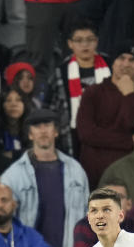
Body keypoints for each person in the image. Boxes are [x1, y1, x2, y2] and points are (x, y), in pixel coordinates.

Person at [0, 108, 90, 247]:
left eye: (48, 125)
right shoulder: (13, 175)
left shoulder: (76, 170)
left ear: (56, 132)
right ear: (30, 134)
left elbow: (87, 218)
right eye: (37, 126)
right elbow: (2, 223)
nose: (43, 131)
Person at [76, 41, 134, 187]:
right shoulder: (93, 92)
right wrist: (130, 141)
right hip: (95, 175)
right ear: (112, 63)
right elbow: (86, 134)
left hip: (133, 175)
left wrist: (129, 95)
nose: (126, 64)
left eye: (132, 60)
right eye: (121, 58)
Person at [46, 19, 110, 156]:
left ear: (97, 42)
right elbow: (50, 108)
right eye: (79, 40)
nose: (85, 45)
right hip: (73, 138)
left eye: (89, 40)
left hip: (108, 133)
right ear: (70, 44)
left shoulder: (112, 65)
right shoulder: (60, 71)